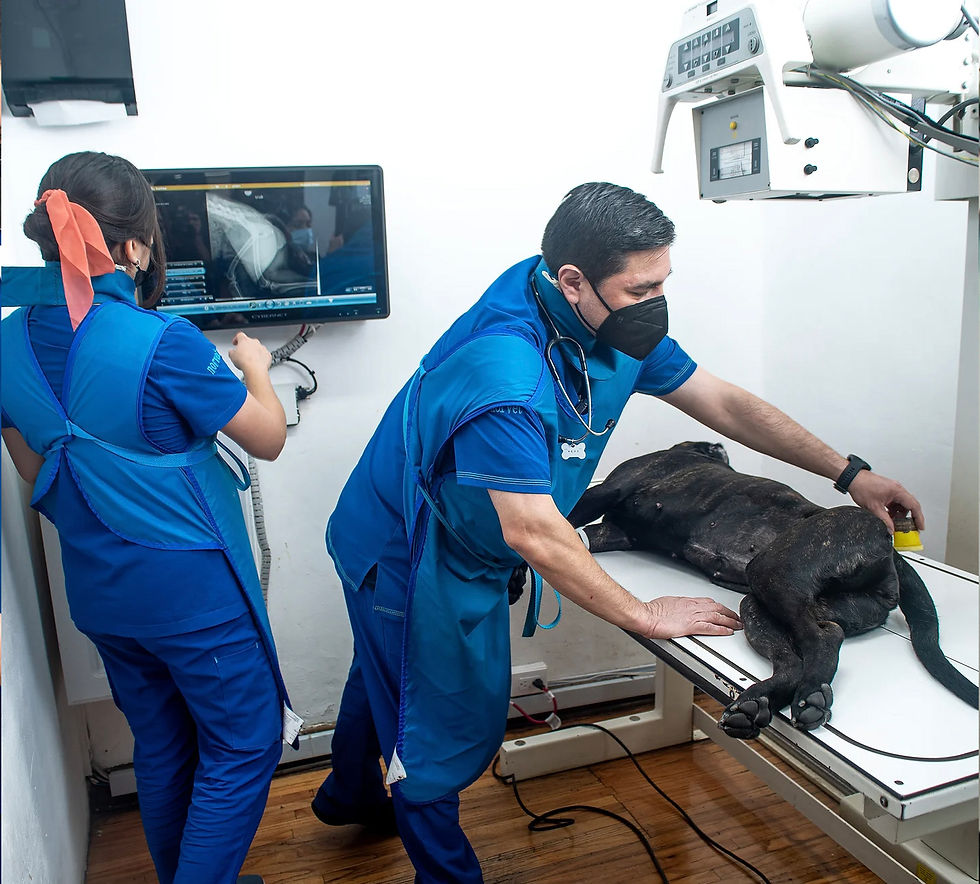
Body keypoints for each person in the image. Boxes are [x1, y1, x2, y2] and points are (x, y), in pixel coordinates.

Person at [310, 182, 924, 882]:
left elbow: (719, 401)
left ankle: (347, 795)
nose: (655, 303)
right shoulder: (506, 372)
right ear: (573, 280)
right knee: (431, 729)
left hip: (460, 531)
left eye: (663, 283)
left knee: (386, 671)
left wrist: (849, 474)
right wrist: (642, 614)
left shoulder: (593, 314)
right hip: (406, 550)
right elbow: (535, 533)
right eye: (641, 288)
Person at [0, 151, 297, 884]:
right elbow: (266, 438)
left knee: (164, 745)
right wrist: (255, 368)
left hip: (101, 593)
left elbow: (37, 472)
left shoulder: (5, 339)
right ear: (133, 246)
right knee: (244, 745)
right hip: (193, 596)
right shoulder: (163, 340)